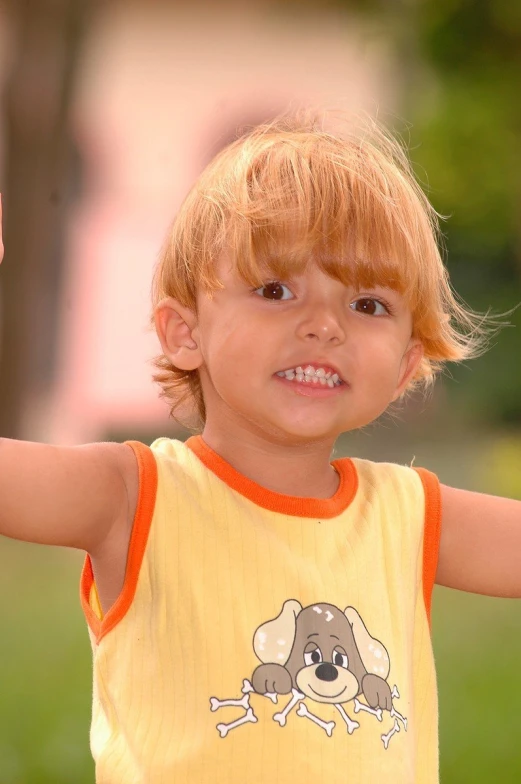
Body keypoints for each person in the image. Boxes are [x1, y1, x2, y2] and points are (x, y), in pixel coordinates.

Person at [0, 110, 519, 784]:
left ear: (403, 365)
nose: (324, 326)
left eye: (367, 305)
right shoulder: (131, 497)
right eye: (275, 290)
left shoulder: (408, 517)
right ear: (183, 332)